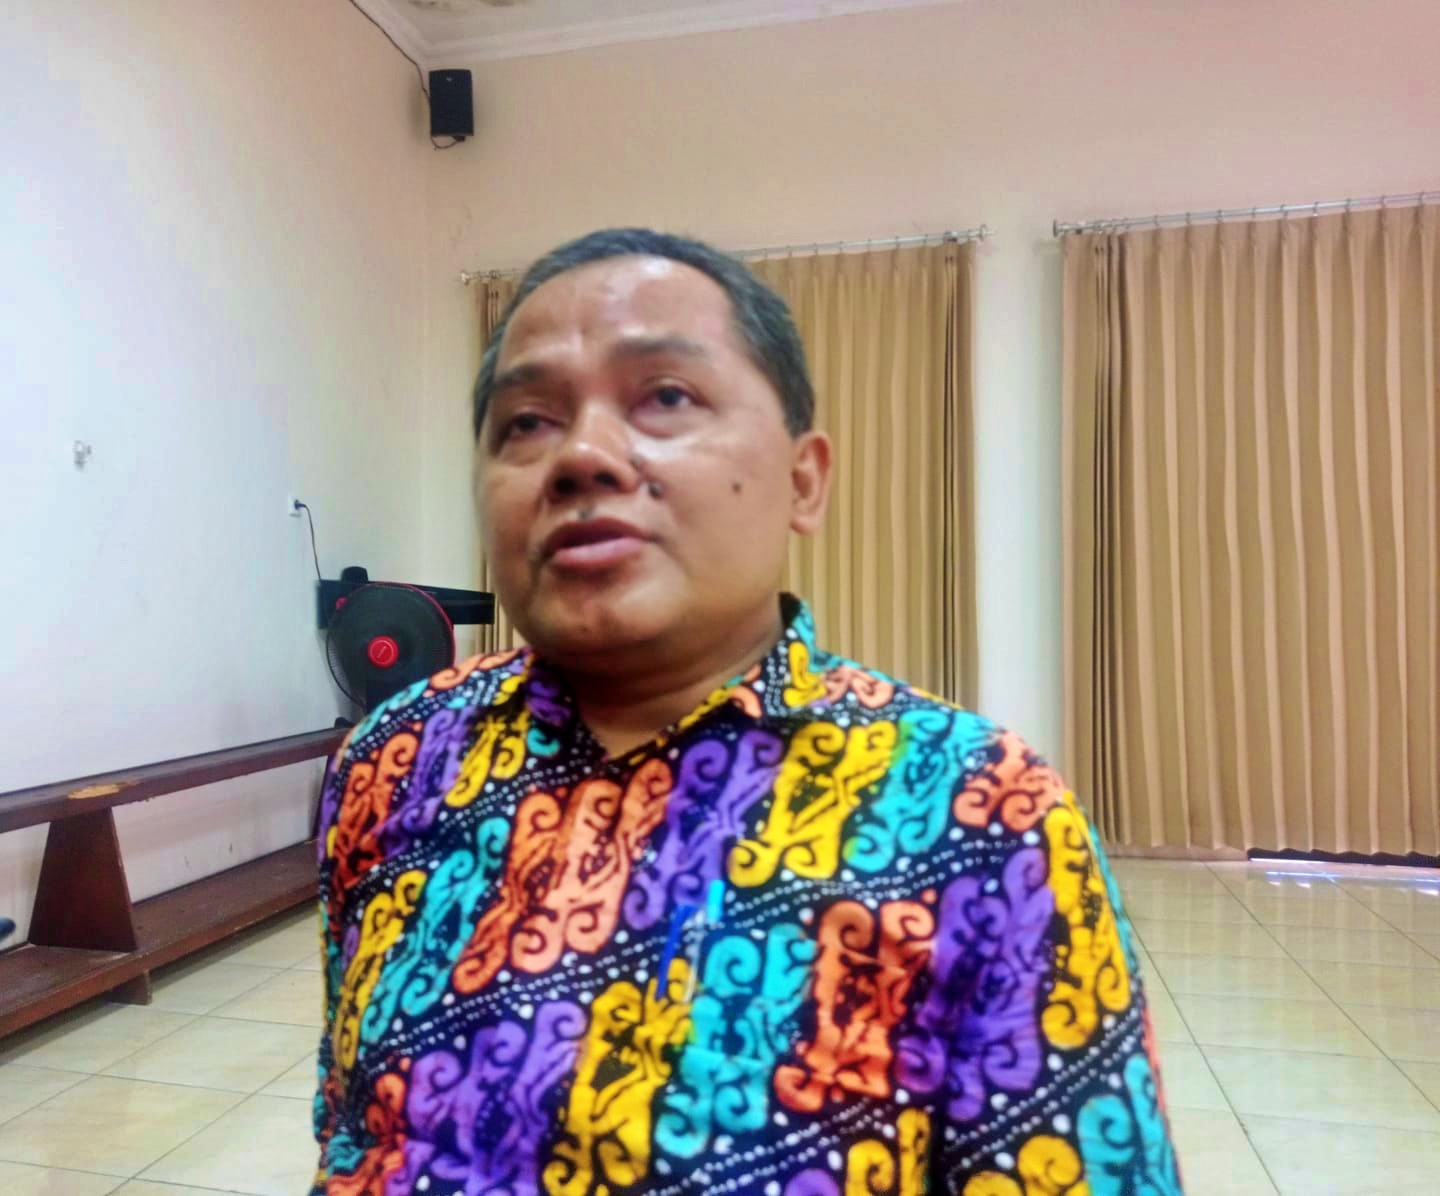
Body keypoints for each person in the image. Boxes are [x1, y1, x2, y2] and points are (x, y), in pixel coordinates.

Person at [311, 229, 1182, 1195]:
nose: (581, 455)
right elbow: (351, 1129)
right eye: (525, 421)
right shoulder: (392, 757)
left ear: (805, 480)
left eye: (665, 397)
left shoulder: (983, 813)